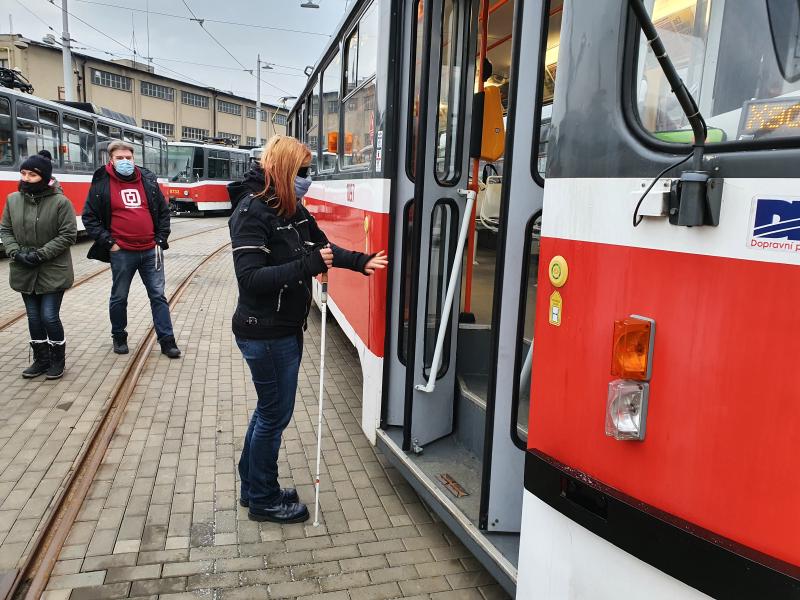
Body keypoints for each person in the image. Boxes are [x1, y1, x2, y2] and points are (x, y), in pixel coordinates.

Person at [228, 135, 388, 524]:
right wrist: (308, 266)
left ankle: (253, 486)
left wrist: (361, 261)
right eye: (302, 171)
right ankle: (264, 499)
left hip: (283, 329)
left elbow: (323, 247)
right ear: (283, 171)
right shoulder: (253, 213)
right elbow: (250, 278)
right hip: (263, 333)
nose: (308, 178)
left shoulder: (292, 209)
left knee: (268, 411)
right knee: (274, 415)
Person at [81, 140, 180, 358]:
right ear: (111, 160)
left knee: (158, 296)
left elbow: (163, 212)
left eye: (128, 158)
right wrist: (110, 243)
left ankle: (167, 340)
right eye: (120, 158)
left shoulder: (147, 179)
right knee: (119, 296)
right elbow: (89, 217)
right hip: (122, 251)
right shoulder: (102, 182)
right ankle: (119, 336)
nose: (125, 162)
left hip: (150, 251)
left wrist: (161, 239)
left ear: (133, 158)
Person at [0, 150, 77, 379]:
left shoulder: (61, 202)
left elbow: (68, 235)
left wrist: (40, 255)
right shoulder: (13, 200)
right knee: (34, 317)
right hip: (24, 269)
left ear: (43, 177)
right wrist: (15, 252)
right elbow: (6, 229)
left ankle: (57, 360)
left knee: (49, 316)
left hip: (53, 270)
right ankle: (41, 360)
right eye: (23, 173)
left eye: (31, 174)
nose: (25, 178)